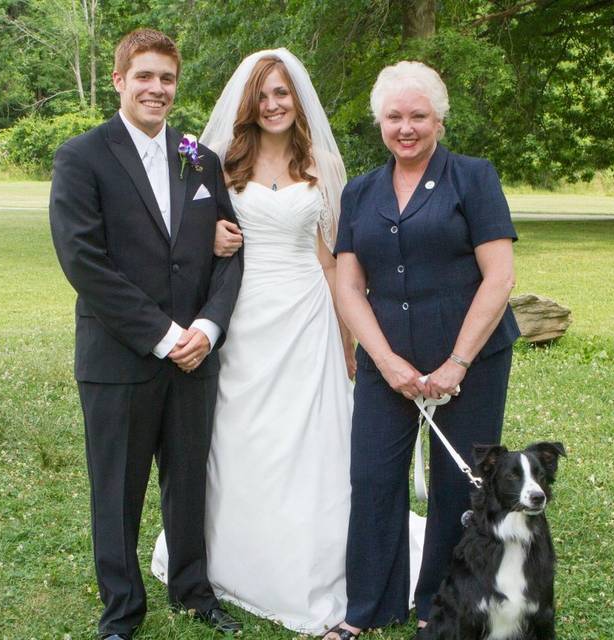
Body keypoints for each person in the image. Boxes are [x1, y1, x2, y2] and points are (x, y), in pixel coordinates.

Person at [149, 49, 431, 635]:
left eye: (283, 94)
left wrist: (348, 336)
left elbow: (332, 261)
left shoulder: (324, 163)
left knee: (313, 439)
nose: (273, 104)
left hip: (307, 312)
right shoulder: (219, 162)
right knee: (243, 433)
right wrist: (215, 240)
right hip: (243, 311)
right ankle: (235, 559)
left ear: (297, 101)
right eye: (264, 94)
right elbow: (183, 239)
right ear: (248, 103)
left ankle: (320, 565)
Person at [49, 29, 243, 640]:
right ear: (119, 81)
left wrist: (208, 328)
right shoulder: (82, 156)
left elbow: (232, 250)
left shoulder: (199, 156)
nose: (156, 89)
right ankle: (122, 610)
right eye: (144, 77)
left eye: (166, 78)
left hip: (196, 356)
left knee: (189, 482)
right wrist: (165, 335)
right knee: (118, 490)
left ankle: (192, 591)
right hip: (121, 355)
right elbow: (84, 260)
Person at [328, 61, 520, 640]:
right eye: (394, 117)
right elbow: (348, 284)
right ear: (378, 122)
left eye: (418, 116)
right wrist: (385, 362)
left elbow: (499, 277)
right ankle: (366, 610)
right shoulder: (359, 191)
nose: (406, 127)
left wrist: (456, 363)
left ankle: (441, 608)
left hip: (472, 363)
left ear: (439, 120)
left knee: (457, 487)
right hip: (389, 366)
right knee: (372, 478)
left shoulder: (474, 177)